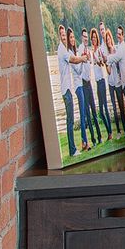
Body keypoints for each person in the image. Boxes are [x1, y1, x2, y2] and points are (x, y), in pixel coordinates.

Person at [54, 26, 81, 155]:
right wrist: (84, 58)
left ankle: (73, 149)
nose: (64, 37)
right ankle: (72, 150)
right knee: (70, 120)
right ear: (60, 36)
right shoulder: (62, 50)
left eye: (65, 35)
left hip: (67, 90)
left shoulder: (64, 49)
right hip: (66, 90)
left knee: (70, 119)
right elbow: (74, 60)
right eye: (63, 35)